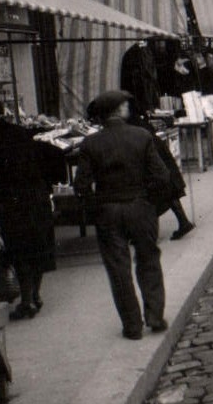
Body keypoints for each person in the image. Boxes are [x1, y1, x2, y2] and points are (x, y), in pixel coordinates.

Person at [73, 90, 171, 340]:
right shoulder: (141, 136)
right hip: (140, 206)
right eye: (125, 105)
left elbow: (81, 186)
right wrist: (149, 202)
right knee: (148, 260)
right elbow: (161, 176)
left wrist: (97, 206)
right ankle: (155, 316)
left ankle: (132, 325)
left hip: (108, 210)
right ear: (118, 110)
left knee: (118, 269)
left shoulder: (90, 143)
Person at [0, 101, 68, 321]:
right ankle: (35, 296)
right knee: (38, 248)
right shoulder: (21, 132)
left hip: (12, 203)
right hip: (36, 197)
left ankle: (27, 301)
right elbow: (53, 155)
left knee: (20, 252)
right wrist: (47, 186)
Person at [125, 100, 195, 241]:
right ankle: (183, 222)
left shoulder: (130, 123)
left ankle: (153, 234)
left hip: (151, 156)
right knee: (168, 190)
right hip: (159, 153)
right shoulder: (139, 119)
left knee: (155, 194)